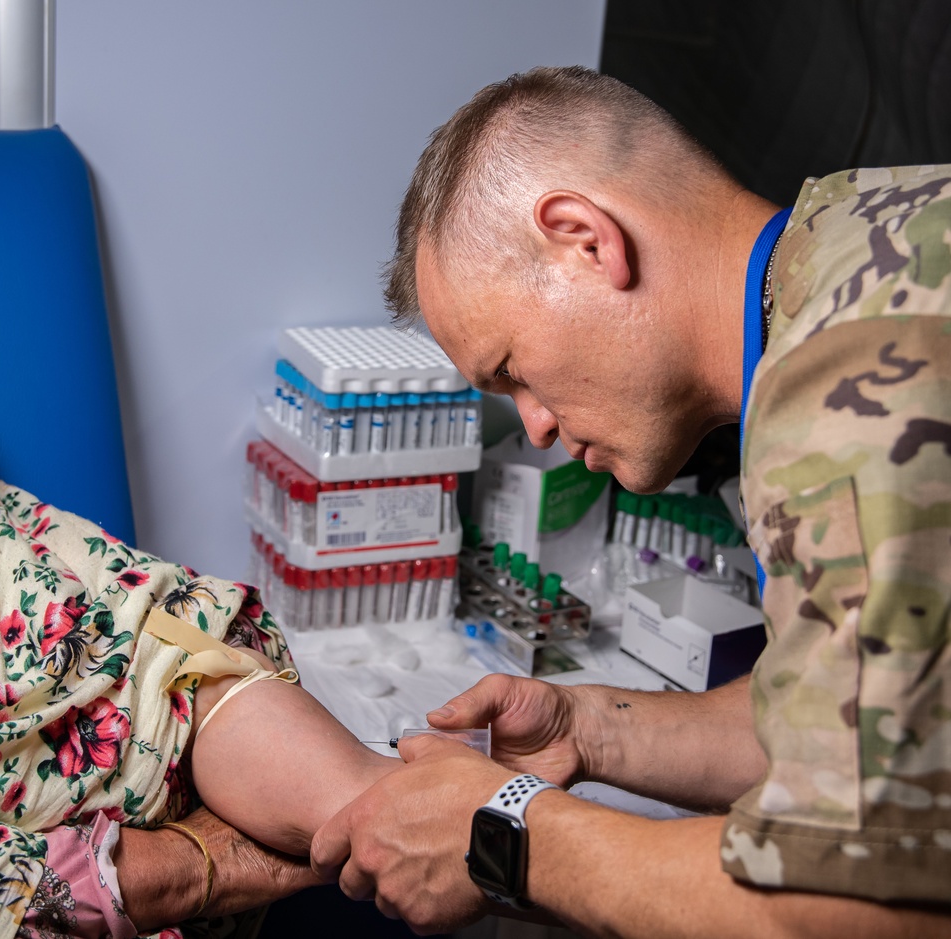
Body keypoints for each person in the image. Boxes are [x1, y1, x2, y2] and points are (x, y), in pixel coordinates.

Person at [310, 66, 951, 936]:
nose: (532, 425)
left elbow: (846, 912)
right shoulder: (863, 233)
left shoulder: (850, 398)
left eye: (512, 371)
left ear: (584, 239)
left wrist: (507, 831)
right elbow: (846, 728)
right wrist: (588, 730)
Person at [0, 365, 399, 939]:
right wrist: (210, 863)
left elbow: (183, 666)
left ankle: (418, 811)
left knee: (180, 659)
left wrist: (372, 800)